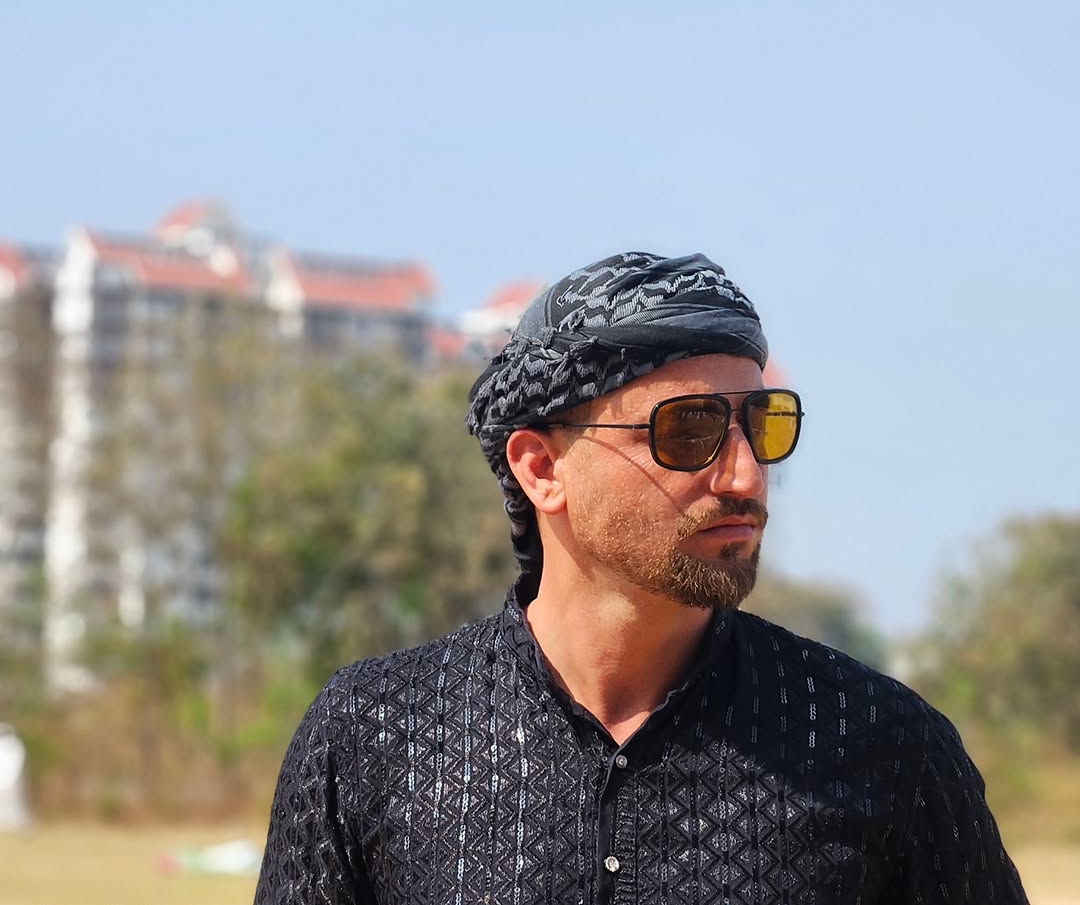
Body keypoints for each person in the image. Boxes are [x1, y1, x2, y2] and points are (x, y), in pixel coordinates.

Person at [255, 251, 1028, 904]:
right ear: (541, 467)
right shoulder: (375, 736)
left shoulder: (879, 743)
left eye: (763, 425)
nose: (745, 475)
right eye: (689, 429)